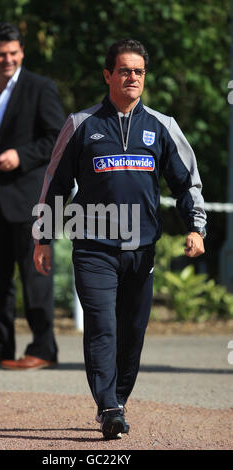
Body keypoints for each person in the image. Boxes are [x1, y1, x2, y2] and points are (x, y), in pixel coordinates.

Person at [32, 38, 206, 439]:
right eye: (125, 70)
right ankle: (108, 407)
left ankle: (118, 400)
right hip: (93, 245)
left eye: (139, 71)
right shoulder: (81, 124)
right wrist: (43, 236)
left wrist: (196, 228)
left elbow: (187, 184)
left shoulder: (163, 127)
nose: (133, 77)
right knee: (101, 326)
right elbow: (54, 184)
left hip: (141, 250)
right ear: (108, 74)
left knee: (133, 330)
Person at [0, 22, 65, 370]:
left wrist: (21, 156)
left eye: (13, 53)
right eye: (0, 54)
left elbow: (58, 137)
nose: (7, 59)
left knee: (35, 276)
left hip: (30, 198)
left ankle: (43, 348)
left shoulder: (41, 88)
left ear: (22, 52)